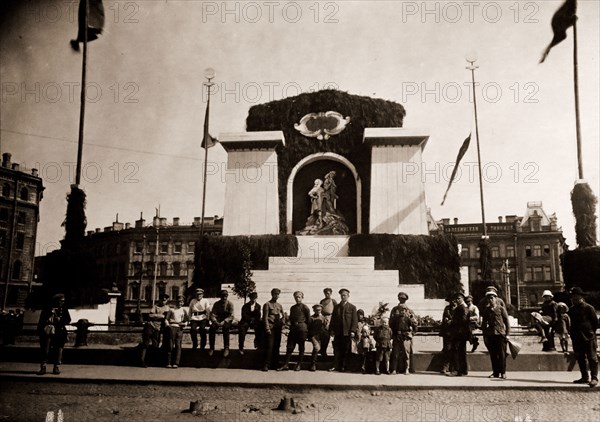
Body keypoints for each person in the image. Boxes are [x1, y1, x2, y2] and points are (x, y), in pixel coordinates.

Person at [568, 287, 598, 387]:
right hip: (577, 337)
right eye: (572, 297)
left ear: (581, 297)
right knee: (580, 358)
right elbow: (570, 323)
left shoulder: (589, 308)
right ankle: (584, 377)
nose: (574, 299)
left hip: (589, 337)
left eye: (576, 297)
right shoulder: (571, 310)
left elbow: (595, 323)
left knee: (592, 358)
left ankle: (594, 378)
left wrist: (590, 333)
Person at [37, 293, 71, 375]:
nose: (62, 302)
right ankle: (43, 367)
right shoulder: (47, 308)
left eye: (63, 301)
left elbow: (68, 319)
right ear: (56, 301)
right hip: (49, 331)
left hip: (59, 331)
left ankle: (56, 367)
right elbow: (41, 321)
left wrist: (60, 320)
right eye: (61, 301)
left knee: (59, 350)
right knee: (45, 350)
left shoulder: (64, 309)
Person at [480, 290, 510, 379]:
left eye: (492, 298)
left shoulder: (501, 309)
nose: (490, 300)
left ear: (496, 298)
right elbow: (484, 323)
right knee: (493, 355)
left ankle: (503, 372)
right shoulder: (486, 310)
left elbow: (507, 322)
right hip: (490, 335)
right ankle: (495, 372)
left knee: (502, 354)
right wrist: (485, 334)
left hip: (501, 334)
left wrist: (507, 334)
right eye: (488, 298)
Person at [278, 291, 311, 371]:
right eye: (296, 297)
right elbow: (291, 319)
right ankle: (286, 365)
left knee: (301, 347)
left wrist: (306, 330)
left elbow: (308, 321)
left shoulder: (305, 307)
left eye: (299, 297)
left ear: (302, 298)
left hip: (302, 329)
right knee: (289, 347)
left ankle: (299, 365)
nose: (297, 299)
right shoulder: (292, 308)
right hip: (293, 329)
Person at [329, 288, 358, 372]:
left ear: (348, 296)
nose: (343, 297)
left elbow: (354, 320)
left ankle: (344, 366)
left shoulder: (352, 307)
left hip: (347, 332)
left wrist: (353, 331)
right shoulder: (337, 307)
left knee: (346, 350)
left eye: (344, 295)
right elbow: (333, 320)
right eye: (341, 295)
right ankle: (335, 365)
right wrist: (331, 330)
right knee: (337, 349)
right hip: (338, 332)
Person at [140, 293, 170, 367]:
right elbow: (150, 315)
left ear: (166, 301)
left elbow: (166, 318)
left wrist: (157, 316)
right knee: (146, 343)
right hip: (150, 325)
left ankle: (152, 361)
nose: (163, 301)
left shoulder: (167, 308)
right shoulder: (155, 306)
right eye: (162, 299)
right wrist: (161, 316)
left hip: (158, 328)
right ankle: (142, 361)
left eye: (165, 300)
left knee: (155, 345)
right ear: (159, 300)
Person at [447, 292, 470, 376]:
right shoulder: (464, 307)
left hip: (459, 333)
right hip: (462, 333)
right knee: (462, 352)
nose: (457, 300)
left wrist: (452, 321)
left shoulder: (462, 308)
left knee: (457, 351)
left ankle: (457, 370)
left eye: (458, 298)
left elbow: (463, 320)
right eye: (456, 299)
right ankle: (463, 370)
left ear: (462, 299)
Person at [390, 306, 417, 375]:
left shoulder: (408, 319)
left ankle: (407, 369)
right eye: (401, 310)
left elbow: (415, 326)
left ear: (406, 311)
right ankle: (394, 369)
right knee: (395, 354)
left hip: (405, 338)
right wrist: (393, 336)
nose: (402, 312)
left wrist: (412, 334)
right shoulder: (395, 319)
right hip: (397, 337)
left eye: (404, 310)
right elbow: (391, 328)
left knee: (406, 354)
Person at [262, 288, 284, 371]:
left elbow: (283, 316)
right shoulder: (267, 304)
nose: (276, 296)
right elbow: (265, 317)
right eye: (275, 294)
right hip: (270, 328)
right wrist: (267, 328)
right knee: (269, 347)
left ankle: (275, 364)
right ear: (272, 294)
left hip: (278, 328)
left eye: (278, 294)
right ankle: (266, 364)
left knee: (276, 346)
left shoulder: (279, 305)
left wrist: (283, 322)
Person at [165, 295, 189, 368]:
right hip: (172, 327)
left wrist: (185, 324)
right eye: (178, 301)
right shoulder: (172, 310)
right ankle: (168, 362)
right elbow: (166, 319)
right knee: (170, 345)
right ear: (176, 302)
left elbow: (187, 320)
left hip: (179, 328)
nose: (180, 303)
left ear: (183, 302)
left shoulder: (184, 310)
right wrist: (168, 325)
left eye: (181, 302)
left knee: (178, 346)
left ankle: (176, 363)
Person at [208, 289, 234, 357]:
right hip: (218, 319)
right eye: (222, 296)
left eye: (225, 296)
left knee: (225, 328)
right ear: (220, 297)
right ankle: (211, 348)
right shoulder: (216, 304)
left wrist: (224, 321)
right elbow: (212, 314)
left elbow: (231, 316)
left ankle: (226, 348)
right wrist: (216, 322)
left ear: (227, 296)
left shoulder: (230, 304)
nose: (224, 298)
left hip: (227, 320)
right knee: (212, 328)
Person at [238, 292, 261, 356]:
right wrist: (250, 320)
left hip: (254, 322)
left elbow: (258, 316)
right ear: (250, 298)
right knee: (242, 329)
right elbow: (244, 315)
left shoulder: (258, 306)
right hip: (246, 321)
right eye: (252, 298)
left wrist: (253, 320)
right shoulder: (245, 306)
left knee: (259, 328)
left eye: (255, 298)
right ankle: (241, 347)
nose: (253, 299)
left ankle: (257, 343)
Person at [307, 304, 328, 371]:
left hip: (321, 335)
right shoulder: (311, 318)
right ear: (314, 310)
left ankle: (323, 358)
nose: (318, 311)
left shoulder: (323, 318)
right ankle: (313, 364)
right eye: (316, 310)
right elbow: (309, 327)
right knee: (316, 348)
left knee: (321, 347)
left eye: (319, 310)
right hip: (314, 335)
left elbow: (325, 326)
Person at [438, 296, 456, 375]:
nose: (453, 302)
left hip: (456, 332)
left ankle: (453, 367)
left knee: (455, 350)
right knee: (447, 349)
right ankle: (445, 367)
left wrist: (452, 321)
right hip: (448, 332)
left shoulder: (459, 308)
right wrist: (446, 320)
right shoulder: (447, 308)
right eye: (451, 300)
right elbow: (444, 317)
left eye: (454, 300)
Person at [319, 288, 337, 357]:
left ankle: (325, 350)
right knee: (323, 335)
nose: (327, 294)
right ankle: (322, 350)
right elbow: (320, 310)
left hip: (331, 318)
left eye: (328, 293)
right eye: (326, 293)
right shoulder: (322, 301)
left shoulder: (333, 301)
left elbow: (336, 311)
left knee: (328, 335)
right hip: (323, 318)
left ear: (331, 293)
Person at [356, 309, 375, 373]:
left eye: (361, 315)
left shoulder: (365, 323)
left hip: (364, 341)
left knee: (365, 354)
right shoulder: (356, 322)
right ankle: (358, 367)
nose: (360, 316)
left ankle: (363, 367)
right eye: (358, 314)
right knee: (358, 354)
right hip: (358, 340)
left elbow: (368, 331)